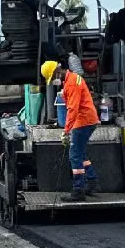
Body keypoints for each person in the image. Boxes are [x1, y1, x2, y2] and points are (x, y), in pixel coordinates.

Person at [41, 60, 99, 202]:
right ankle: (92, 183)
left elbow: (73, 109)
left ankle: (78, 190)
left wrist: (66, 131)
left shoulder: (71, 83)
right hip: (88, 119)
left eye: (52, 76)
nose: (54, 80)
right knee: (80, 153)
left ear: (56, 72)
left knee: (74, 155)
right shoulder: (72, 78)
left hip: (83, 121)